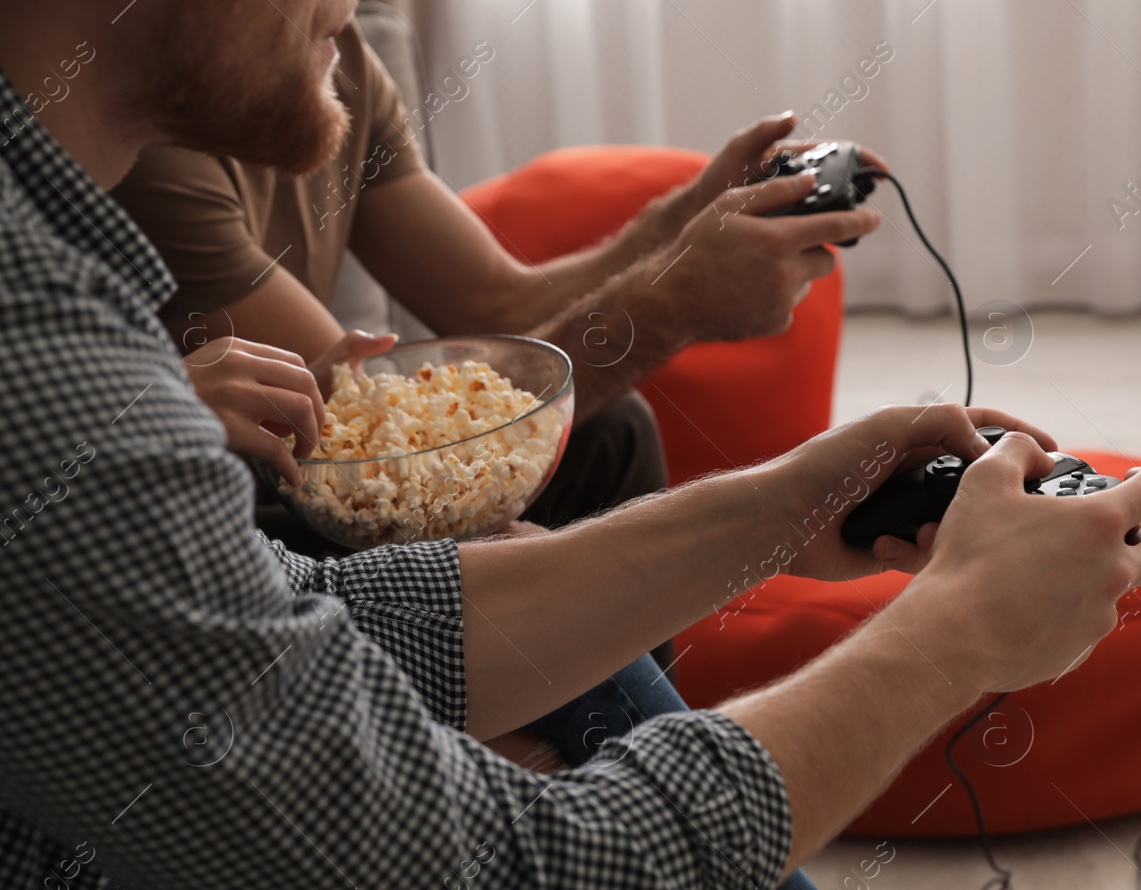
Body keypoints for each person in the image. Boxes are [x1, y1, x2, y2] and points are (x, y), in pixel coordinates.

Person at [0, 3, 1141, 890]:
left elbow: (489, 335)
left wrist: (790, 498)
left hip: (57, 880)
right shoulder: (50, 345)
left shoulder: (97, 234)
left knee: (589, 497)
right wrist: (951, 635)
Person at [110, 18, 883, 544]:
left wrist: (685, 216)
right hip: (240, 503)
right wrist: (675, 302)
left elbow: (494, 300)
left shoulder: (335, 59)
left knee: (614, 432)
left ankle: (631, 734)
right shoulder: (158, 159)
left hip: (325, 465)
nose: (349, 14)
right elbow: (379, 452)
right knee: (603, 437)